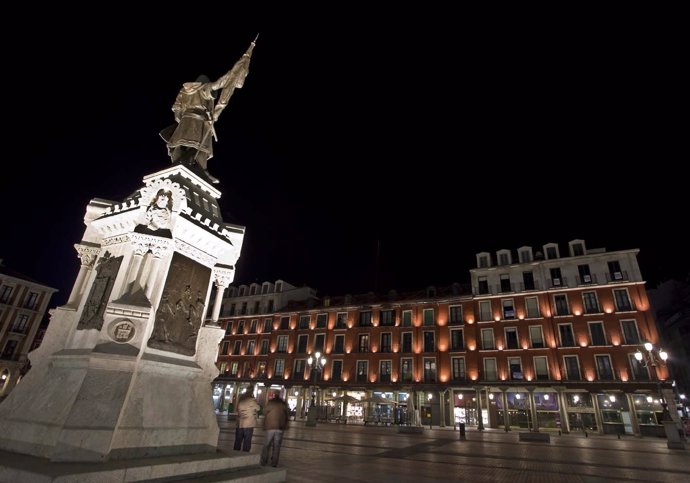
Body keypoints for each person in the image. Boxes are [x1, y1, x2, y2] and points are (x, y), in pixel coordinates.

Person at [159, 38, 256, 184]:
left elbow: (176, 107)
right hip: (198, 121)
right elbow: (219, 84)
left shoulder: (184, 90)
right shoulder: (204, 88)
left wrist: (179, 119)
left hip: (186, 119)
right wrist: (234, 73)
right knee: (202, 147)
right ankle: (202, 170)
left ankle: (181, 164)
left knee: (178, 143)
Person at [260, 392, 290, 467]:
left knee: (267, 444)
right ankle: (274, 462)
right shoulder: (283, 403)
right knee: (277, 446)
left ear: (274, 395)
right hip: (280, 427)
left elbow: (264, 412)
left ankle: (264, 460)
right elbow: (287, 414)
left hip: (270, 426)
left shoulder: (271, 403)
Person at [233, 386, 261, 452]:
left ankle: (235, 453)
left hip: (240, 422)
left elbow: (236, 407)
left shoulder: (241, 397)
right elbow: (258, 408)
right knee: (247, 440)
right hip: (248, 423)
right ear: (252, 391)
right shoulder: (251, 399)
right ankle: (245, 455)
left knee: (238, 440)